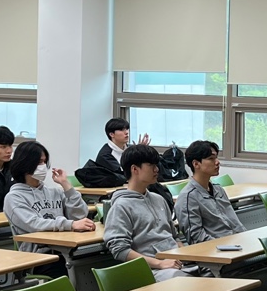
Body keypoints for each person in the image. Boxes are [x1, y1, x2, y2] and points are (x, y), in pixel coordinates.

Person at [3, 141, 93, 265]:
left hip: (65, 248)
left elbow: (80, 216)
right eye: (39, 162)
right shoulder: (14, 198)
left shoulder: (55, 192)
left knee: (97, 258)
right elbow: (34, 224)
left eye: (45, 162)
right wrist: (71, 225)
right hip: (38, 256)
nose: (44, 166)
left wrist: (66, 185)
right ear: (25, 164)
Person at [102, 143, 184, 279]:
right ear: (135, 169)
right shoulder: (121, 206)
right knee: (183, 280)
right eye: (151, 165)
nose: (157, 169)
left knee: (211, 271)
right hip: (153, 269)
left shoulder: (159, 199)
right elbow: (120, 250)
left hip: (176, 263)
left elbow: (174, 236)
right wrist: (160, 263)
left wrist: (184, 254)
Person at [174, 140, 244, 244]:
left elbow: (235, 223)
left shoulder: (218, 190)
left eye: (216, 157)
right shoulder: (188, 197)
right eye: (211, 159)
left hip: (236, 243)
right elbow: (196, 238)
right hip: (217, 249)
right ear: (196, 164)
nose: (217, 162)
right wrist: (225, 246)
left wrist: (245, 239)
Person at [92, 117, 147, 185]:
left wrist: (141, 152)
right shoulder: (105, 155)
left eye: (127, 129)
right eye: (122, 130)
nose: (126, 132)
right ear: (111, 134)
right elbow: (123, 174)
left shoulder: (129, 149)